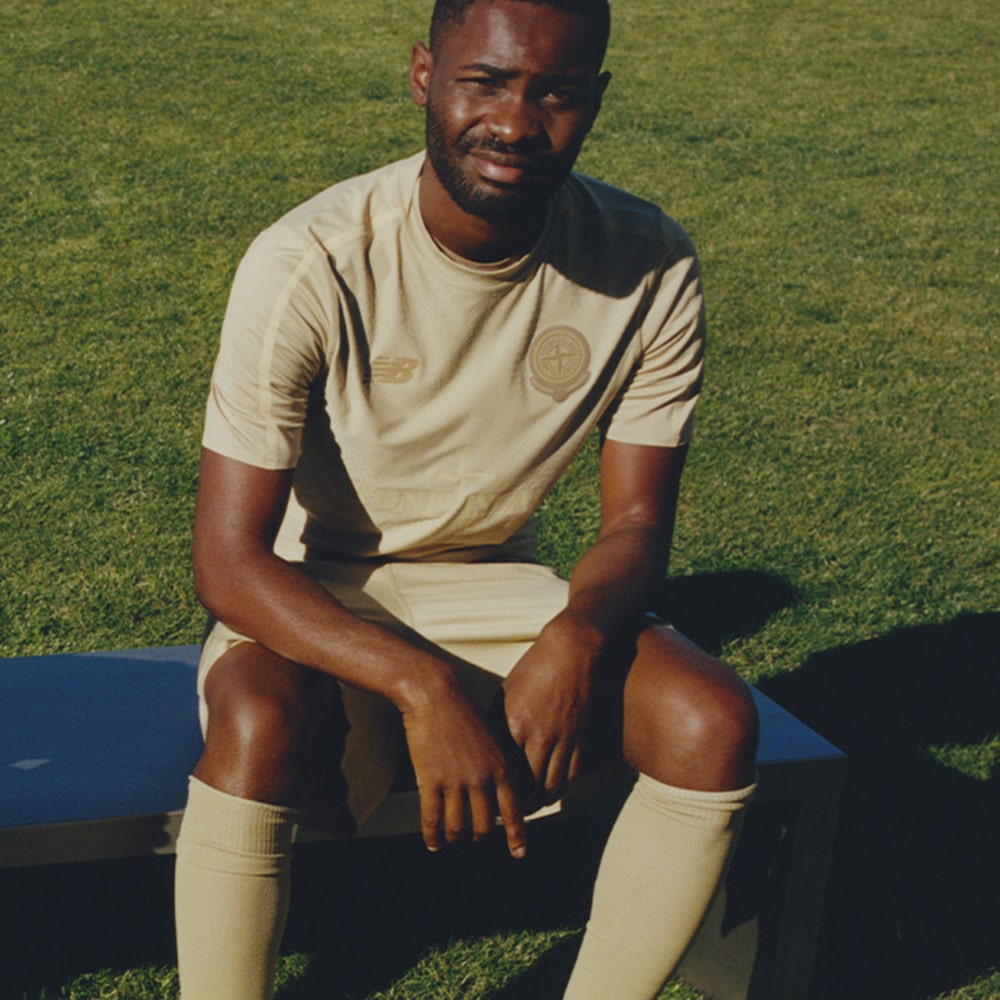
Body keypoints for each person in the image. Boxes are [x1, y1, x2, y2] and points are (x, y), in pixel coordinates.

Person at [174, 0, 759, 997]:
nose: (516, 123)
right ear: (423, 76)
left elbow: (634, 522)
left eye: (556, 93)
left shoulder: (649, 260)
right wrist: (422, 687)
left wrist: (578, 633)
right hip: (311, 582)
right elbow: (229, 562)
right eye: (484, 82)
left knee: (710, 719)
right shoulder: (309, 258)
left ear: (595, 100)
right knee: (259, 720)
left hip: (492, 579)